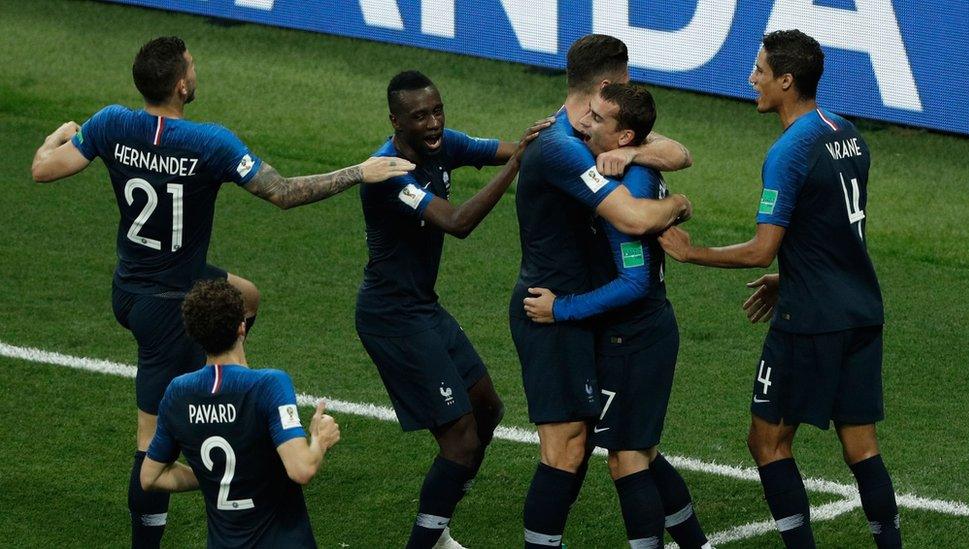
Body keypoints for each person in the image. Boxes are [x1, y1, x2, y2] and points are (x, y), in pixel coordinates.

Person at [29, 36, 412, 548]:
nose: (196, 69)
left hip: (133, 283)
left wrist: (57, 133)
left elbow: (42, 168)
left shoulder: (110, 122)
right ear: (183, 85)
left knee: (245, 297)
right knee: (149, 451)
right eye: (192, 65)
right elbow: (282, 192)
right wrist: (358, 173)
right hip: (165, 307)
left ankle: (236, 395)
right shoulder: (209, 142)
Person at [658, 29, 901, 548]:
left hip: (809, 321)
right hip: (860, 309)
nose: (752, 78)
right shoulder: (849, 133)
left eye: (761, 71)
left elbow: (759, 248)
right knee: (861, 447)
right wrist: (792, 271)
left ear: (786, 81)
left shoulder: (788, 151)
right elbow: (834, 228)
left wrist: (689, 252)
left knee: (767, 441)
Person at [510, 34, 694, 549]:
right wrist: (679, 205)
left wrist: (634, 148)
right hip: (550, 309)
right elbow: (634, 220)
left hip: (591, 311)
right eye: (628, 78)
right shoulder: (563, 147)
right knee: (567, 451)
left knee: (622, 447)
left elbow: (679, 151)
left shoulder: (599, 132)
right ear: (609, 84)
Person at [355, 70, 551, 549]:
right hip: (390, 316)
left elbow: (508, 150)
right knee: (460, 440)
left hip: (422, 307)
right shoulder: (388, 173)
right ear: (396, 121)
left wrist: (556, 142)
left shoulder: (444, 144)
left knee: (486, 409)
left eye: (438, 110)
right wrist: (516, 166)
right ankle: (426, 542)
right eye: (420, 115)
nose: (434, 122)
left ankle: (436, 525)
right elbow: (457, 222)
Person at [140, 278, 340, 548]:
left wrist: (214, 475)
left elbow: (150, 477)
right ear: (241, 326)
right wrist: (320, 440)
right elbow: (301, 469)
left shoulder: (178, 392)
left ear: (194, 334)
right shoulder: (268, 384)